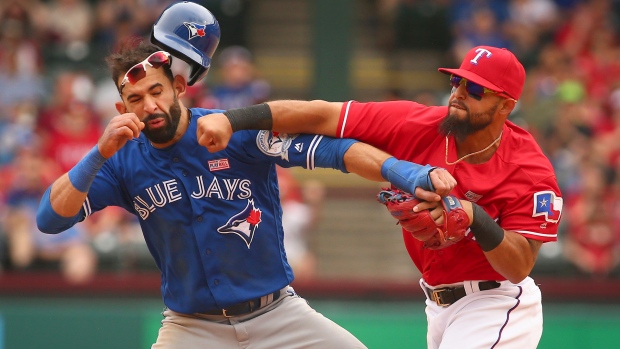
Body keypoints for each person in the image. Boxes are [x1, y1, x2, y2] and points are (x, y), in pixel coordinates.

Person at [36, 2, 457, 348]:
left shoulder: (230, 129)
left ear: (179, 88)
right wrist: (97, 153)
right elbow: (49, 220)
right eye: (134, 99)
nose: (148, 105)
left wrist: (405, 172)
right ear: (122, 109)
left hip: (279, 317)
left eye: (157, 91)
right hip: (191, 328)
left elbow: (335, 151)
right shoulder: (121, 162)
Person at [198, 45, 564, 348]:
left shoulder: (529, 170)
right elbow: (322, 115)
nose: (459, 94)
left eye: (476, 89)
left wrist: (474, 215)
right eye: (457, 81)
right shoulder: (418, 123)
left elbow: (519, 266)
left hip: (496, 302)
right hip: (437, 304)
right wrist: (233, 119)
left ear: (506, 105)